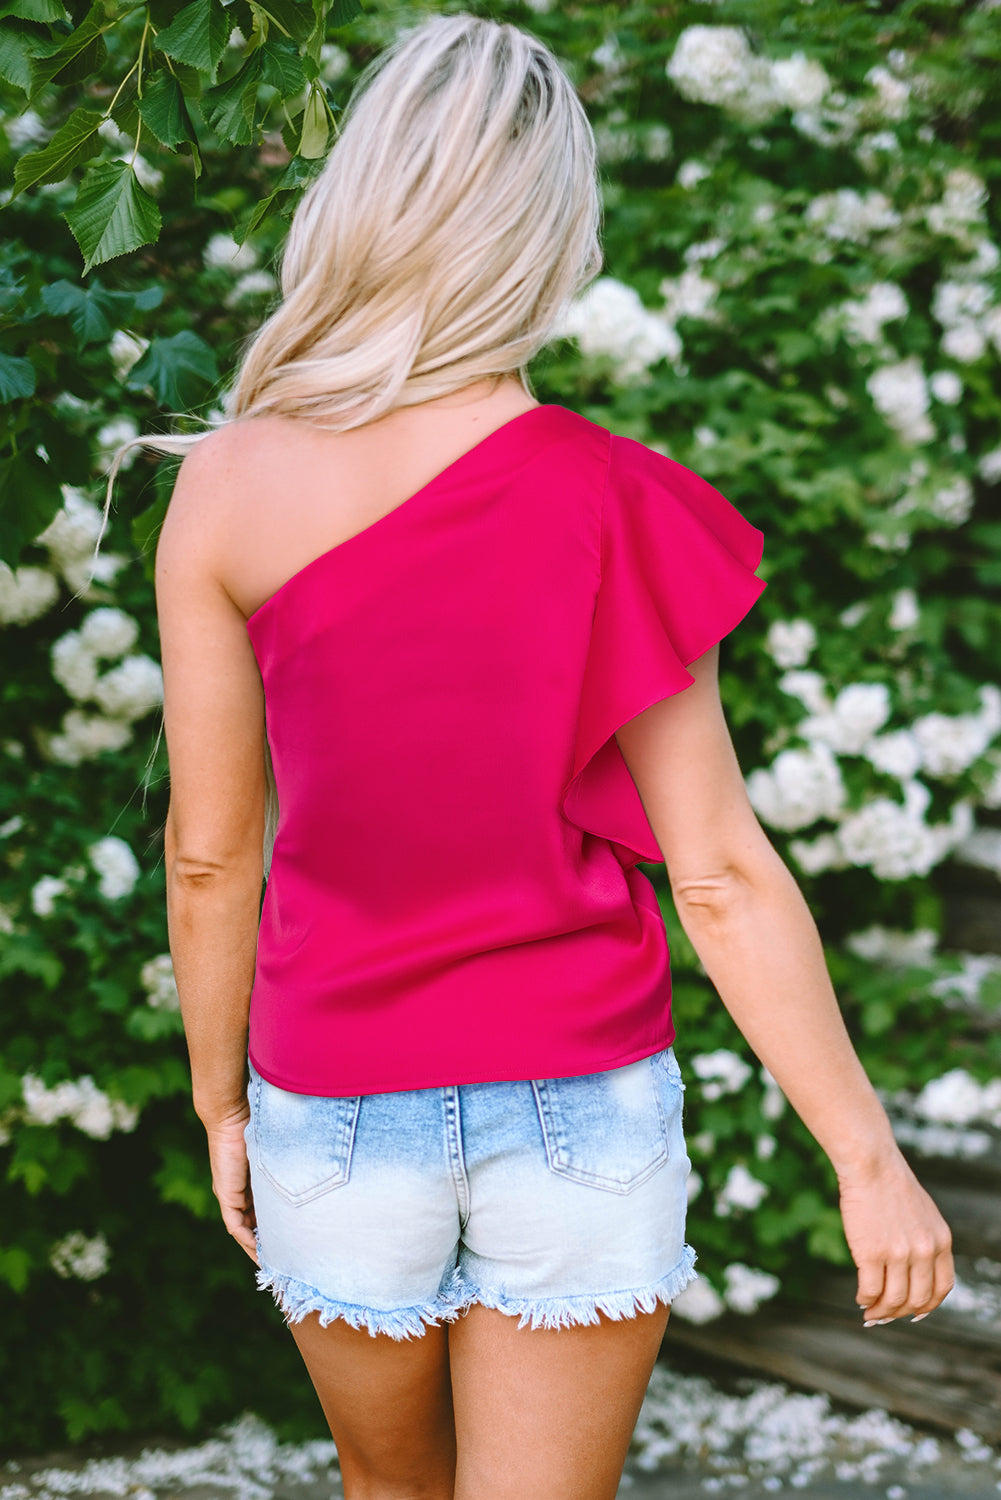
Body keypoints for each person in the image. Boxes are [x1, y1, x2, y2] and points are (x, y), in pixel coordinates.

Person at [133, 13, 955, 1500]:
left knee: (390, 1488)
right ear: (551, 237)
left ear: (361, 203)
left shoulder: (230, 488)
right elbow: (718, 874)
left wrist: (219, 1105)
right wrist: (865, 1157)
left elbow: (208, 857)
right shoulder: (613, 500)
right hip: (583, 1097)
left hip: (335, 1098)